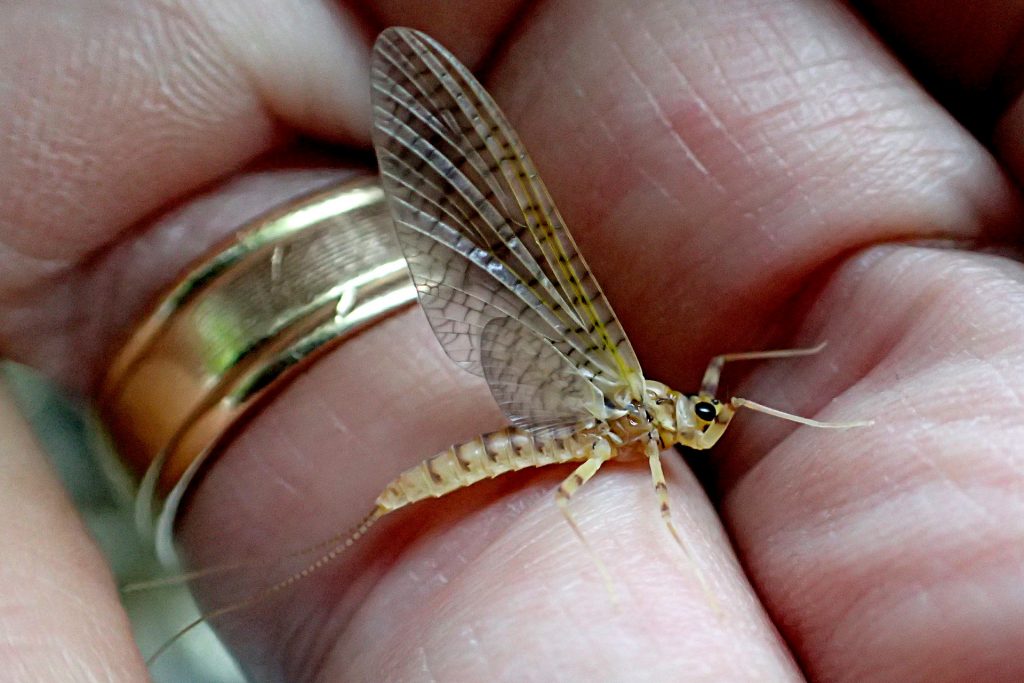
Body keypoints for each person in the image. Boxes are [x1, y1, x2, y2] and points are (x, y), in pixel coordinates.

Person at [2, 1, 1023, 681]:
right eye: (705, 413)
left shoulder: (634, 419)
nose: (707, 417)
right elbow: (685, 426)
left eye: (712, 413)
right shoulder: (639, 417)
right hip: (507, 437)